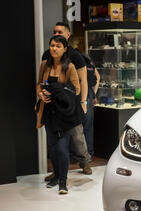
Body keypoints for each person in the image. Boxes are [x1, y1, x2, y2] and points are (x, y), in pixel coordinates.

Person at [42, 22, 92, 181]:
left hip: (72, 103)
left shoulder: (75, 56)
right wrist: (42, 94)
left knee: (77, 135)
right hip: (53, 106)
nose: (57, 34)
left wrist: (83, 102)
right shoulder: (47, 55)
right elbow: (41, 81)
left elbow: (83, 81)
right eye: (55, 31)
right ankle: (57, 172)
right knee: (54, 139)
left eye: (60, 32)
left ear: (68, 35)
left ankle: (84, 162)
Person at [37, 35, 84, 194]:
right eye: (51, 45)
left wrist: (60, 92)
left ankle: (63, 183)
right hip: (48, 112)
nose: (54, 48)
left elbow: (76, 89)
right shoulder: (45, 65)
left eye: (57, 46)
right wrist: (41, 95)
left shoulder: (69, 66)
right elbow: (39, 84)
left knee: (62, 148)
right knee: (53, 147)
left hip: (63, 113)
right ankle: (56, 176)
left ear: (64, 49)